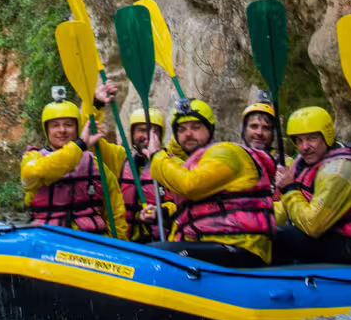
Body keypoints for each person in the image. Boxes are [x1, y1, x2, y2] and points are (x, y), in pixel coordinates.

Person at [147, 100, 273, 267]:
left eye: (196, 127)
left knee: (156, 255)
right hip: (216, 244)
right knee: (154, 251)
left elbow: (190, 184)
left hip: (242, 248)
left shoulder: (227, 153)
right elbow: (183, 174)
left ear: (210, 129)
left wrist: (157, 155)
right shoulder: (199, 162)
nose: (188, 134)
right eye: (182, 129)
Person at [270, 106, 351, 266]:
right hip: (340, 234)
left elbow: (312, 225)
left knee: (282, 238)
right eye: (299, 140)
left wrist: (289, 189)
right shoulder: (305, 163)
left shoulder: (339, 170)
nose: (304, 147)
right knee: (273, 234)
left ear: (327, 136)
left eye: (312, 138)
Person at [20, 87, 128, 237]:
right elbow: (37, 172)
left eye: (69, 125)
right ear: (47, 130)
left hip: (89, 243)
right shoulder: (33, 159)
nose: (62, 130)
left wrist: (119, 244)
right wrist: (80, 145)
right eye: (55, 125)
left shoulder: (95, 165)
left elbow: (115, 212)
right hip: (48, 241)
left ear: (77, 128)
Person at [119, 108, 166, 241]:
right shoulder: (120, 160)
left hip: (161, 242)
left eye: (154, 131)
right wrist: (96, 105)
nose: (147, 136)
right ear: (132, 134)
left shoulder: (170, 164)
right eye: (141, 130)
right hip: (128, 242)